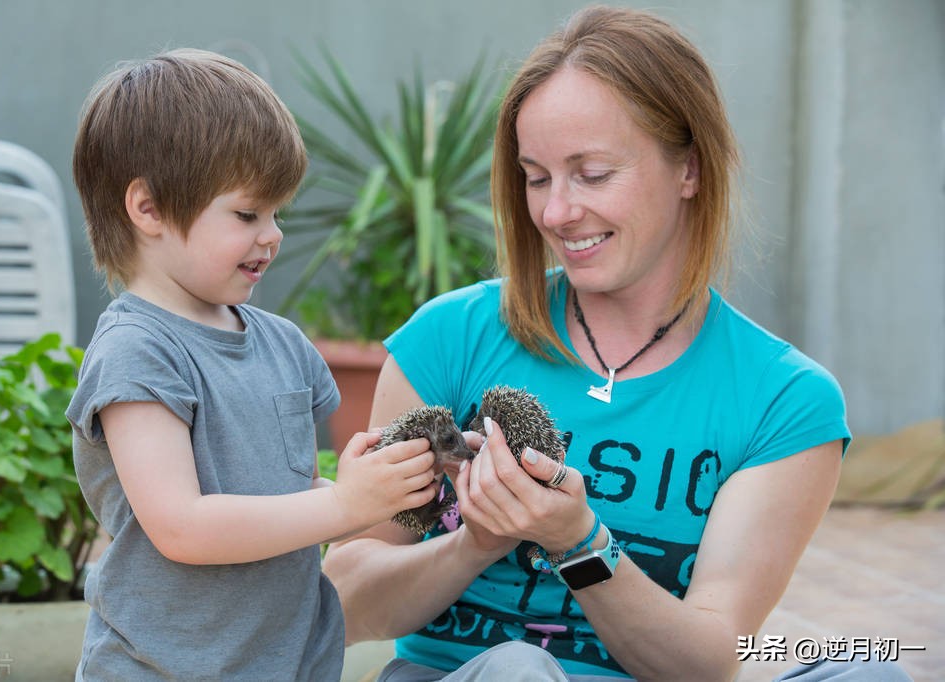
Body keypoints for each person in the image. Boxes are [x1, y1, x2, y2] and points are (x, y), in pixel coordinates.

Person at [323, 6, 912, 682]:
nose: (553, 212)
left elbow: (711, 659)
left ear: (687, 169)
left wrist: (578, 544)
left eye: (592, 173)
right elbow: (344, 603)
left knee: (875, 672)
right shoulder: (449, 339)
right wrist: (474, 543)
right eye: (536, 176)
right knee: (518, 670)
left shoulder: (784, 401)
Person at [66, 48, 438, 681]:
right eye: (246, 214)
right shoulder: (137, 351)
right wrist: (344, 507)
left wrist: (381, 493)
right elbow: (182, 526)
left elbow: (284, 499)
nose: (273, 235)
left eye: (276, 213)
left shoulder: (283, 343)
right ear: (148, 208)